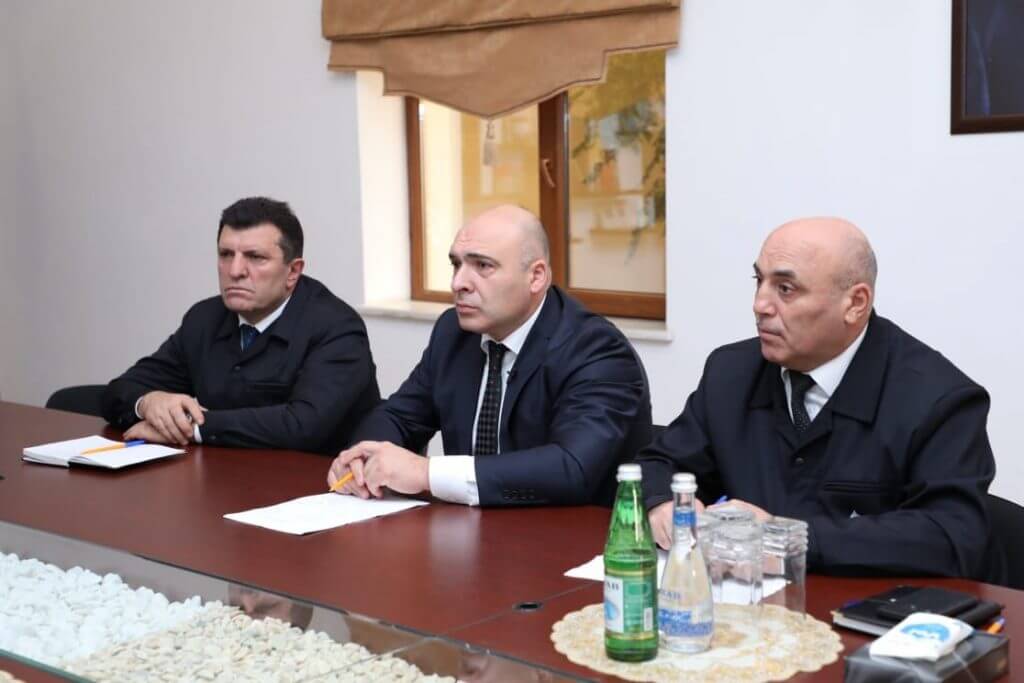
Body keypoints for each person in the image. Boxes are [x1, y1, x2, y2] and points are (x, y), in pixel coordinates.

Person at [639, 217, 996, 578]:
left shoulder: (938, 399)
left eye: (786, 289)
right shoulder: (731, 372)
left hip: (867, 605)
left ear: (855, 303)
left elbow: (952, 536)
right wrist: (663, 505)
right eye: (759, 281)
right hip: (742, 600)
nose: (760, 304)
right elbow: (660, 463)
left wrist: (789, 541)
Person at [327, 205, 651, 506]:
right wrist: (363, 458)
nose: (458, 283)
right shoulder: (454, 332)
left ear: (536, 276)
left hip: (569, 536)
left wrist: (426, 473)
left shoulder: (595, 349)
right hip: (469, 530)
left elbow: (571, 468)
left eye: (482, 266)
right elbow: (399, 416)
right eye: (456, 264)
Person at [101, 196, 380, 455]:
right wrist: (149, 402)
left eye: (255, 257)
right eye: (225, 254)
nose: (235, 271)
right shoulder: (204, 318)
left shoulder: (337, 327)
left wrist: (191, 427)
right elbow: (119, 390)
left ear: (293, 271)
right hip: (221, 475)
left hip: (319, 482)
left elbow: (302, 426)